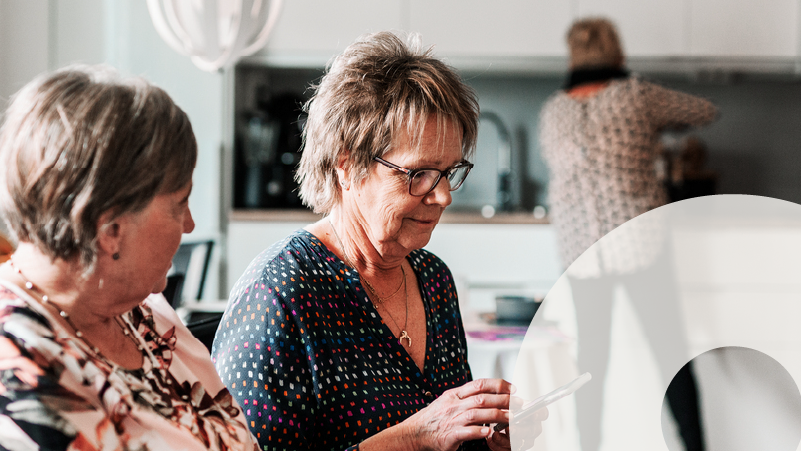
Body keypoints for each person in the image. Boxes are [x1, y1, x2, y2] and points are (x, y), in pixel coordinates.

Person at [212, 31, 547, 451]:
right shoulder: (281, 293)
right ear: (347, 166)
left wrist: (491, 440)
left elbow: (450, 438)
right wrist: (416, 436)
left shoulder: (432, 279)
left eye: (448, 172)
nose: (443, 195)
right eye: (418, 173)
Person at [0, 66, 258, 450]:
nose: (189, 225)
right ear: (110, 230)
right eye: (180, 203)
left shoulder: (146, 315)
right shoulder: (19, 372)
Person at [539, 18, 717, 451]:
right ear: (617, 54)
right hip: (639, 243)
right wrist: (658, 127)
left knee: (590, 365)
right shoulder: (637, 94)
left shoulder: (553, 111)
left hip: (582, 252)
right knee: (671, 356)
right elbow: (704, 111)